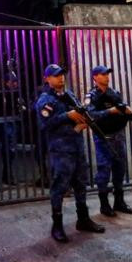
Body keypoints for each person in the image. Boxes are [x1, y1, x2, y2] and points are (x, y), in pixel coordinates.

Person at [35, 64, 104, 243]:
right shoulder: (45, 100)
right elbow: (45, 125)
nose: (61, 78)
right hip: (61, 151)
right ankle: (57, 226)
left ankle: (83, 219)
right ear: (47, 79)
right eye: (56, 76)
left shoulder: (69, 95)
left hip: (76, 148)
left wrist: (82, 121)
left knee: (81, 185)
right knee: (59, 188)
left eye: (62, 75)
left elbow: (80, 111)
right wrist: (68, 117)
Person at [84, 65, 132, 216]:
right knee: (104, 170)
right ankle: (104, 205)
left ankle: (119, 202)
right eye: (102, 74)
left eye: (107, 74)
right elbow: (91, 115)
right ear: (95, 77)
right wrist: (110, 111)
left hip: (118, 136)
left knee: (120, 168)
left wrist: (126, 109)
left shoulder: (114, 93)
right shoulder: (91, 96)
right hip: (103, 137)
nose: (106, 76)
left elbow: (121, 107)